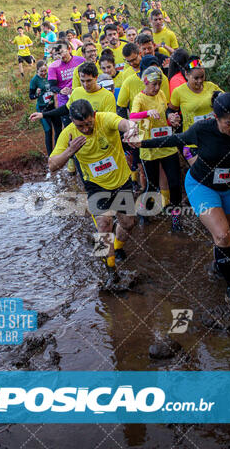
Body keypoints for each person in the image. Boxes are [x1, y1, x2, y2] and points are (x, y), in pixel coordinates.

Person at [136, 90, 230, 311]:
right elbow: (173, 139)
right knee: (222, 235)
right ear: (216, 118)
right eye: (229, 123)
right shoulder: (202, 130)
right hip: (202, 185)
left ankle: (220, 264)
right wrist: (141, 144)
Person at [49, 99, 138, 287]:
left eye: (89, 123)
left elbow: (124, 123)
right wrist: (70, 151)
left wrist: (131, 128)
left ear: (94, 115)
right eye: (80, 125)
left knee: (129, 224)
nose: (86, 129)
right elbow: (52, 165)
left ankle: (118, 248)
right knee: (103, 225)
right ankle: (110, 271)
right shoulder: (69, 133)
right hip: (95, 186)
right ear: (72, 121)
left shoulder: (105, 119)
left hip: (121, 181)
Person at [130, 66, 182, 232]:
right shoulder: (139, 98)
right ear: (145, 83)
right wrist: (146, 113)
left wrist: (171, 119)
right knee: (151, 186)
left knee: (175, 183)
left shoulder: (160, 94)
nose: (157, 87)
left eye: (159, 83)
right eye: (153, 84)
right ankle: (144, 213)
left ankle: (176, 217)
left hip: (167, 144)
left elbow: (164, 113)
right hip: (148, 147)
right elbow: (132, 116)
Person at [168, 56, 222, 164]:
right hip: (192, 143)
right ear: (187, 75)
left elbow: (228, 101)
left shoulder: (211, 87)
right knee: (201, 176)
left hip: (214, 139)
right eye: (196, 78)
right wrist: (171, 117)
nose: (200, 81)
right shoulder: (179, 92)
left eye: (202, 77)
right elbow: (170, 110)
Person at [47, 40, 85, 121]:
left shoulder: (81, 61)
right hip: (65, 103)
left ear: (69, 49)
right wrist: (61, 91)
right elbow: (52, 86)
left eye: (62, 52)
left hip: (82, 99)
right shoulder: (53, 67)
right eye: (57, 54)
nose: (61, 56)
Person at [29, 61, 62, 155]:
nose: (44, 73)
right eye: (41, 72)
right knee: (48, 131)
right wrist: (36, 94)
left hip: (53, 106)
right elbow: (31, 96)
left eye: (45, 71)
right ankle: (50, 155)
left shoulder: (50, 75)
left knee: (58, 129)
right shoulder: (34, 80)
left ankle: (58, 152)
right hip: (42, 108)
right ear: (37, 71)